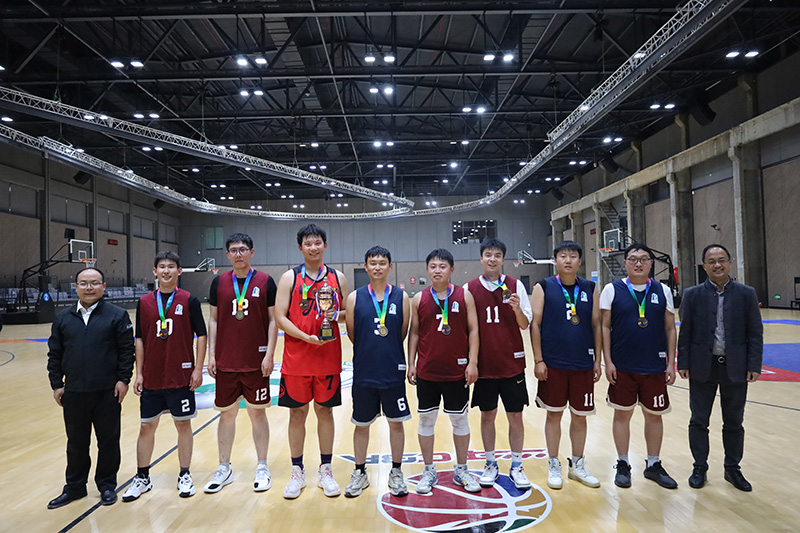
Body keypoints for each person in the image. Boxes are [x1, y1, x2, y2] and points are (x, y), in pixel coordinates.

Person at [122, 252, 207, 502]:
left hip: (180, 376)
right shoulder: (144, 302)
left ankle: (184, 474)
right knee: (146, 426)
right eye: (162, 267)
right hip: (153, 377)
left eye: (171, 267)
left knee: (183, 425)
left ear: (179, 271)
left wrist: (198, 368)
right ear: (155, 271)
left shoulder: (189, 299)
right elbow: (139, 339)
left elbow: (201, 334)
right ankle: (142, 477)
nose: (166, 271)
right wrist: (139, 373)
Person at [47, 267, 135, 509]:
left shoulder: (117, 315)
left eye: (94, 283)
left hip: (107, 391)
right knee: (76, 443)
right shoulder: (63, 318)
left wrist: (123, 380)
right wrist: (57, 384)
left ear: (103, 287)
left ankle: (106, 485)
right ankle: (75, 487)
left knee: (108, 442)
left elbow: (126, 351)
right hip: (74, 392)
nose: (89, 287)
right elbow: (55, 354)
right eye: (83, 283)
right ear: (75, 287)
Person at [677, 244, 763, 492]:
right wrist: (683, 362)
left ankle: (732, 468)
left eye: (722, 260)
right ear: (704, 266)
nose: (717, 265)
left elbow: (755, 333)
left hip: (736, 368)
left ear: (729, 262)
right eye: (712, 261)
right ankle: (699, 467)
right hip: (702, 366)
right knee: (699, 420)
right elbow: (685, 332)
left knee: (734, 421)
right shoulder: (692, 295)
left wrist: (754, 364)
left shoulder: (746, 294)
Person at [275, 224, 349, 499]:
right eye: (308, 243)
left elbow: (345, 313)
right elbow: (280, 317)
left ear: (325, 246)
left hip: (328, 357)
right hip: (296, 359)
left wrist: (333, 316)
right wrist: (305, 336)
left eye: (318, 243)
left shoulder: (338, 277)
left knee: (325, 412)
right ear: (300, 248)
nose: (313, 247)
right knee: (297, 414)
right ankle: (297, 471)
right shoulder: (289, 277)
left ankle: (325, 469)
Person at [203, 233, 277, 494]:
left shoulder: (266, 281)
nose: (238, 254)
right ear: (227, 255)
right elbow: (213, 320)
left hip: (256, 361)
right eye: (233, 250)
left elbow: (273, 320)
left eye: (243, 249)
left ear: (252, 253)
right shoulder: (219, 282)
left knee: (257, 413)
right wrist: (212, 355)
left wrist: (269, 355)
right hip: (226, 361)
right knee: (227, 415)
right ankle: (224, 467)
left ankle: (262, 466)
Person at [600, 243, 678, 489]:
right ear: (625, 263)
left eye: (644, 259)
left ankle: (653, 464)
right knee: (622, 415)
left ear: (651, 263)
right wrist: (607, 361)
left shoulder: (663, 290)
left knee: (654, 416)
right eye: (633, 259)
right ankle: (623, 463)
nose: (638, 263)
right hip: (622, 366)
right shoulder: (612, 289)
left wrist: (671, 363)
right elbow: (604, 326)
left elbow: (670, 328)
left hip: (654, 366)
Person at [530, 240, 602, 490]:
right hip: (553, 363)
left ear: (580, 261)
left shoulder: (590, 288)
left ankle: (577, 465)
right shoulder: (543, 286)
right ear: (555, 261)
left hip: (582, 363)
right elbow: (535, 324)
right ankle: (553, 464)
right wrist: (538, 360)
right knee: (554, 415)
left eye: (573, 256)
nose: (568, 260)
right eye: (563, 256)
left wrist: (598, 360)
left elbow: (596, 325)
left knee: (580, 416)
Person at [407, 248, 480, 494]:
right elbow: (414, 333)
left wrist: (472, 362)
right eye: (433, 266)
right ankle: (429, 470)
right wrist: (411, 363)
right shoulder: (419, 298)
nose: (437, 270)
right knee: (426, 420)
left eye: (442, 266)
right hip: (427, 371)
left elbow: (473, 330)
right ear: (427, 270)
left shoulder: (464, 295)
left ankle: (462, 469)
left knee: (459, 420)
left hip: (457, 371)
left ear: (452, 269)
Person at [343, 246, 411, 498]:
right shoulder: (354, 298)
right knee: (361, 425)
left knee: (396, 424)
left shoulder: (402, 297)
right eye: (373, 263)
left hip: (392, 371)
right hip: (364, 372)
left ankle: (396, 472)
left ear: (390, 267)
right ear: (366, 266)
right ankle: (360, 472)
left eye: (382, 263)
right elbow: (353, 334)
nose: (378, 267)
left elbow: (402, 332)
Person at [466, 238, 533, 490]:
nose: (492, 259)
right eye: (488, 254)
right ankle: (490, 463)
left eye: (497, 255)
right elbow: (467, 327)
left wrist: (516, 309)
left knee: (515, 415)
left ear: (503, 259)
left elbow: (525, 324)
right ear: (481, 258)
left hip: (512, 363)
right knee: (487, 415)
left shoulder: (515, 286)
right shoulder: (470, 288)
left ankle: (517, 465)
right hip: (485, 364)